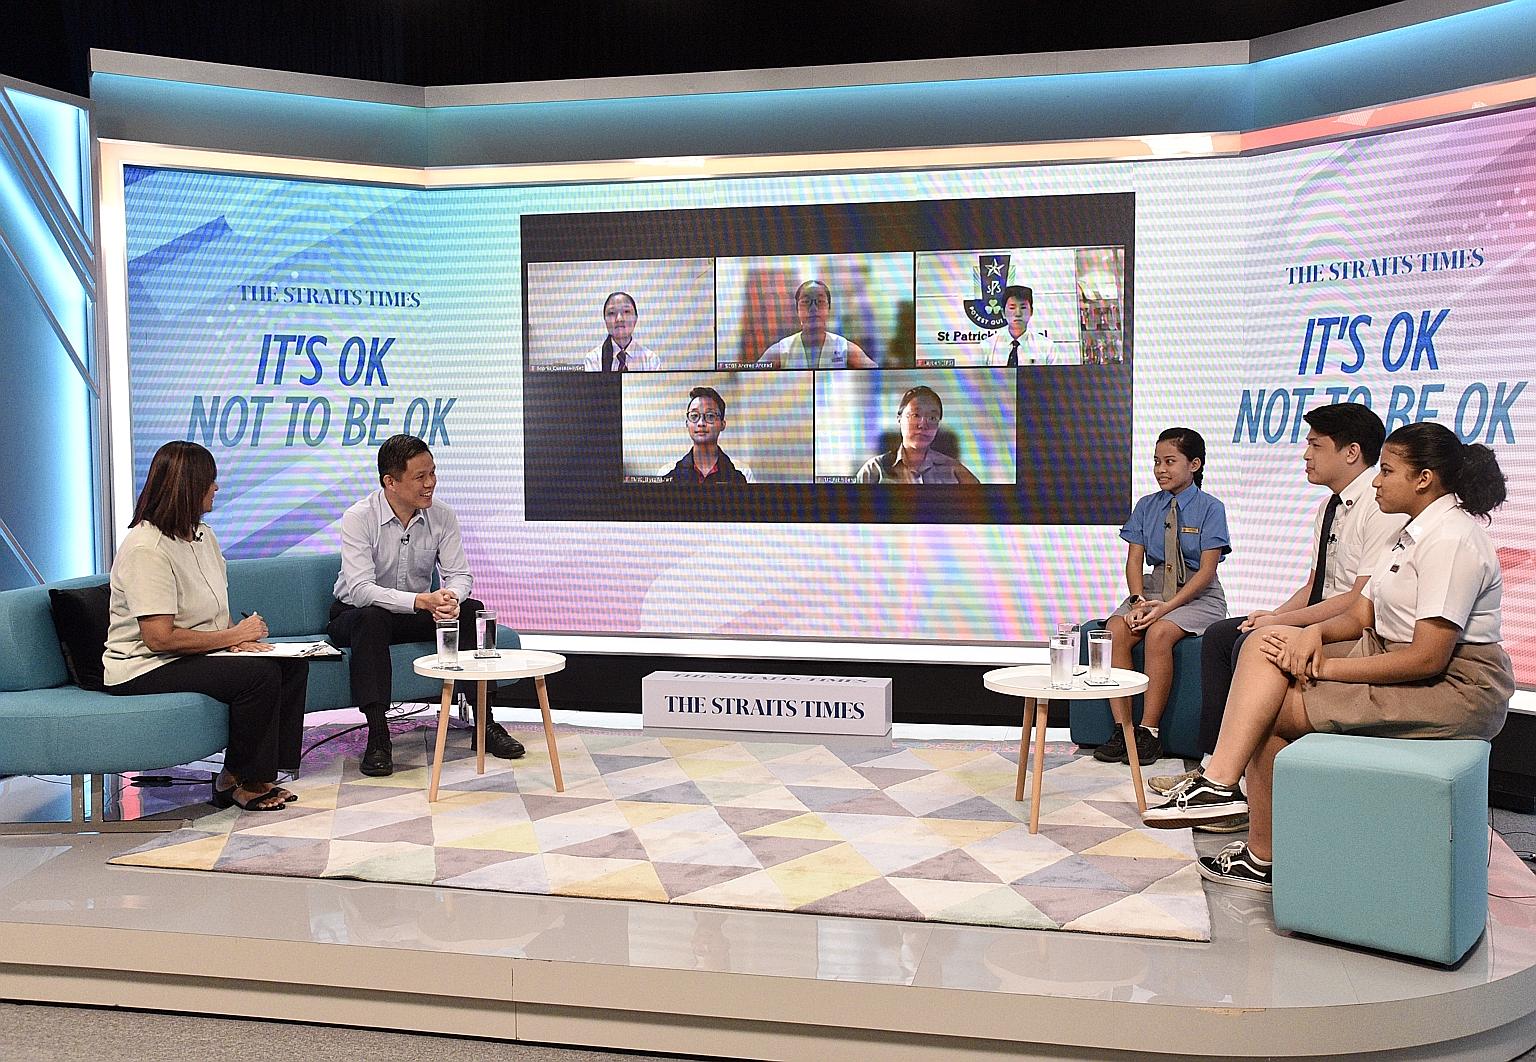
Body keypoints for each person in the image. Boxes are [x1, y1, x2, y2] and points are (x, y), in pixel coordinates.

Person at [1144, 422, 1514, 894]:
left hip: (1455, 688)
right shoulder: (1412, 530)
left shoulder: (1452, 538)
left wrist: (1324, 666)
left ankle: (1262, 856)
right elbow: (1362, 612)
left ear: (1423, 479)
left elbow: (1427, 659)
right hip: (1388, 654)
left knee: (1271, 711)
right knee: (1267, 641)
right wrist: (1305, 634)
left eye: (1387, 471)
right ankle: (1219, 782)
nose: (1377, 481)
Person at [1145, 403, 1402, 826]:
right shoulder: (1331, 507)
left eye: (1315, 446)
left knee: (1255, 642)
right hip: (1323, 614)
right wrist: (1276, 614)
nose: (1306, 455)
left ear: (1351, 452)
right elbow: (1316, 583)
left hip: (1348, 628)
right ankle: (1213, 769)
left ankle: (1238, 782)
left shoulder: (1377, 509)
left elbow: (1357, 600)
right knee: (1226, 634)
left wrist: (1286, 625)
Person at [103, 441, 307, 812]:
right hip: (144, 666)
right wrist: (232, 636)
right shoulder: (146, 548)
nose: (216, 489)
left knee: (288, 663)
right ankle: (238, 781)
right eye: (210, 482)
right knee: (257, 678)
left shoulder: (202, 535)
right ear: (187, 488)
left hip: (188, 653)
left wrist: (236, 640)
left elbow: (214, 607)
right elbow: (158, 637)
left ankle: (264, 772)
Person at [327, 434, 524, 777]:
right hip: (356, 615)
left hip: (416, 610)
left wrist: (450, 599)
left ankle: (485, 725)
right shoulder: (359, 517)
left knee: (468, 609)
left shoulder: (442, 516)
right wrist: (420, 600)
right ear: (390, 481)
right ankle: (378, 736)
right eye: (420, 477)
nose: (430, 483)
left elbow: (460, 574)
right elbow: (360, 590)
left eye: (432, 473)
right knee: (371, 619)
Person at [1097, 427, 1230, 766]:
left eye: (1170, 461)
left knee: (1159, 632)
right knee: (1114, 630)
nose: (1160, 470)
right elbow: (1134, 561)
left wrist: (1166, 609)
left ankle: (1148, 732)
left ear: (1195, 464)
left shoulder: (1211, 508)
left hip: (1197, 595)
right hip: (1152, 587)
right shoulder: (1146, 505)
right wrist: (1139, 600)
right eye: (1156, 461)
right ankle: (1122, 729)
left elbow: (1206, 572)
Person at [855, 385, 980, 484]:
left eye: (932, 417)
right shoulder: (874, 469)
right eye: (915, 415)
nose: (923, 424)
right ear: (899, 418)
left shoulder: (955, 471)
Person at [757, 280, 877, 369]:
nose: (813, 308)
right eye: (806, 302)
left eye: (820, 302)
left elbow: (876, 372)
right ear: (797, 309)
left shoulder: (844, 347)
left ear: (829, 308)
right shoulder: (781, 349)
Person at [667, 386, 751, 484]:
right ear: (687, 423)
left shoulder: (742, 474)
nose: (701, 423)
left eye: (710, 416)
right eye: (694, 416)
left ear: (722, 424)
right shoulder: (668, 475)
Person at [581, 291, 660, 372]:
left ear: (636, 318)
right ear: (605, 320)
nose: (619, 319)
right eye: (611, 313)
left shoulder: (650, 360)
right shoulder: (593, 359)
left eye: (626, 311)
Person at [980, 285, 1053, 366]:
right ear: (1003, 313)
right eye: (1012, 308)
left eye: (1023, 307)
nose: (1018, 313)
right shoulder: (987, 346)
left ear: (1031, 311)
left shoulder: (1047, 347)